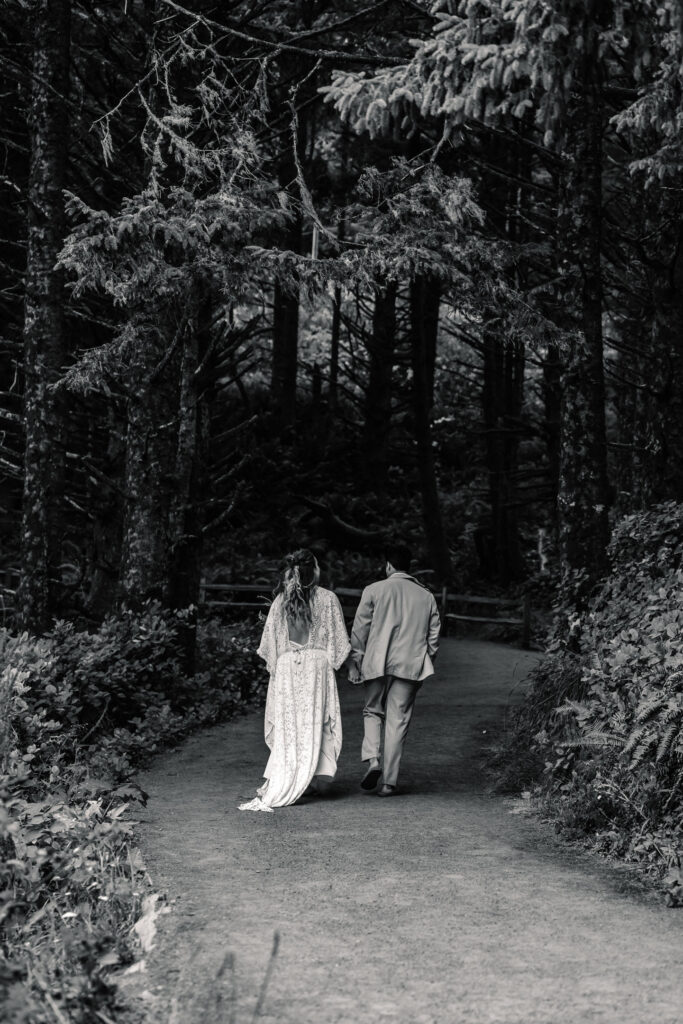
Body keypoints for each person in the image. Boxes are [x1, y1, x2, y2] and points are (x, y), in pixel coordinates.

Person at [239, 549, 352, 813]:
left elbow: (269, 647)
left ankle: (295, 774)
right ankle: (315, 775)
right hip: (317, 666)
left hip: (288, 666)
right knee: (317, 719)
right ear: (315, 571)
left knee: (290, 723)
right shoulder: (328, 599)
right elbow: (339, 644)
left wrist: (283, 665)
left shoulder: (280, 601)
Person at [348, 543, 441, 797]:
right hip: (410, 664)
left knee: (372, 710)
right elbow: (433, 639)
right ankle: (389, 783)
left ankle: (373, 760)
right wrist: (424, 661)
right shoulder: (427, 596)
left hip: (377, 661)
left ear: (388, 565)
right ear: (408, 567)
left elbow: (360, 629)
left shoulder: (374, 590)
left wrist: (355, 659)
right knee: (398, 720)